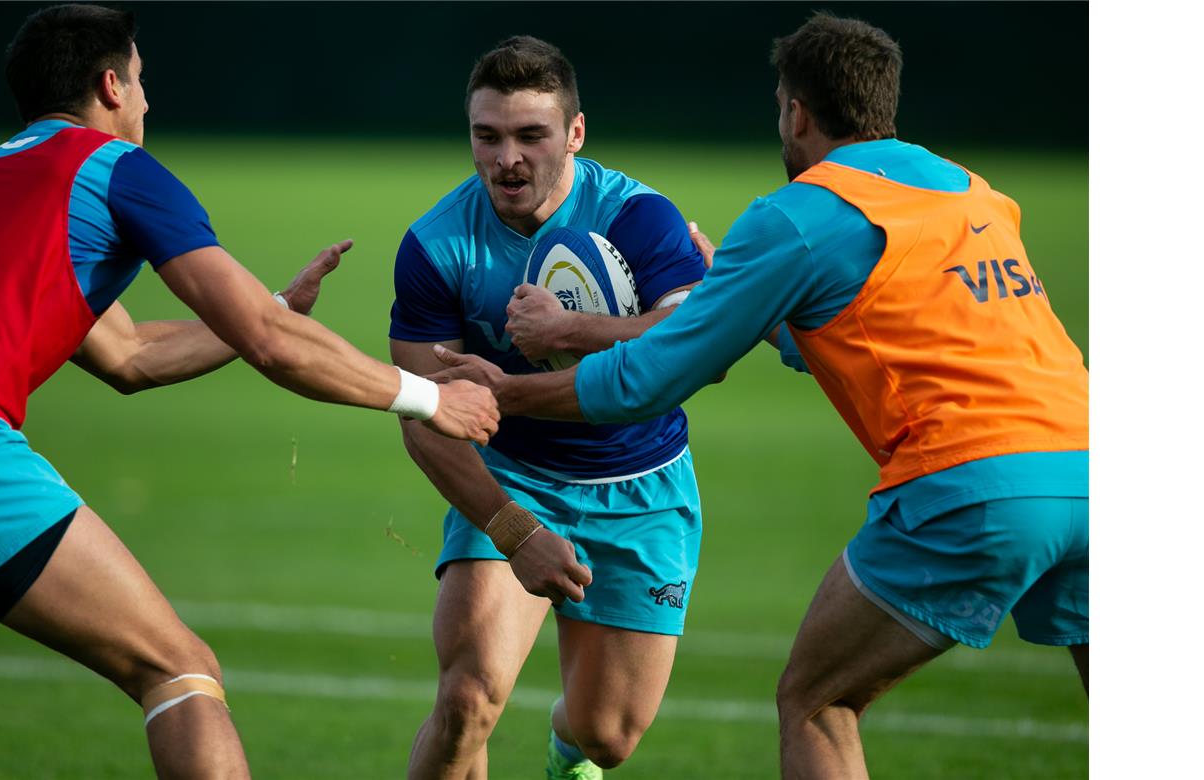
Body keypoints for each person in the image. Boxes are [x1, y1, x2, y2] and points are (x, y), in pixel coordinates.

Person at [429, 14, 1088, 778]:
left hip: (975, 481)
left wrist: (509, 391)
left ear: (796, 112)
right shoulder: (972, 191)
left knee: (816, 704)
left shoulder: (796, 215)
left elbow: (653, 377)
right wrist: (747, 303)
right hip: (1095, 469)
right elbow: (869, 327)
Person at [0, 5, 497, 778]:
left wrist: (279, 311)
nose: (149, 104)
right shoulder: (118, 170)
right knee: (178, 672)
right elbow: (266, 342)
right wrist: (428, 398)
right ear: (111, 84)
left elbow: (127, 355)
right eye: (144, 82)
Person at [392, 36, 712, 780]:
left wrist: (571, 329)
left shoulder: (639, 217)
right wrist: (513, 529)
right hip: (514, 476)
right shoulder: (437, 246)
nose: (507, 158)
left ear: (574, 133)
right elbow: (424, 419)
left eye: (531, 135)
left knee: (609, 735)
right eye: (488, 135)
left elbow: (696, 342)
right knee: (468, 699)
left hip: (643, 483)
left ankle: (570, 753)